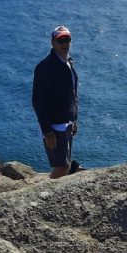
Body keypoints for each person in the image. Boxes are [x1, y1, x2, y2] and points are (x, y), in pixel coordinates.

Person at [32, 25, 79, 178]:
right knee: (61, 168)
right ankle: (43, 197)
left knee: (65, 164)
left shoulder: (67, 62)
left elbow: (72, 94)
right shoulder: (45, 67)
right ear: (53, 42)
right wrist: (47, 131)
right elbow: (38, 101)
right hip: (54, 127)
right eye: (61, 40)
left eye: (68, 39)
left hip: (66, 124)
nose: (65, 44)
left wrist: (74, 119)